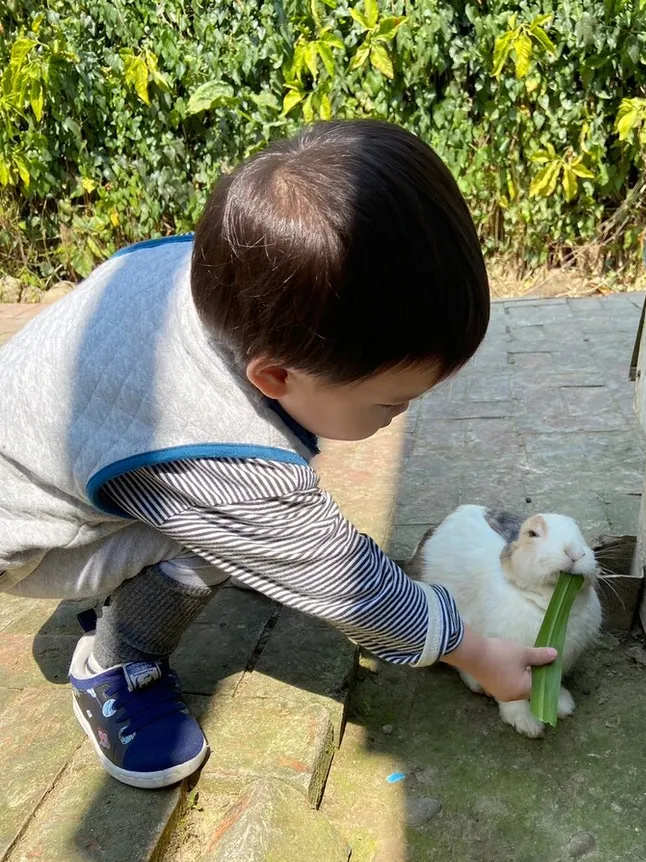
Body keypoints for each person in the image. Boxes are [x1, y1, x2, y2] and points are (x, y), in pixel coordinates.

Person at [0, 120, 555, 789]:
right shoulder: (218, 453)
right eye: (389, 404)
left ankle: (122, 575)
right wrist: (476, 651)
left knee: (242, 517)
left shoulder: (225, 274)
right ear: (274, 377)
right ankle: (117, 663)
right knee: (234, 537)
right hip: (27, 536)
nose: (401, 415)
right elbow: (352, 584)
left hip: (70, 450)